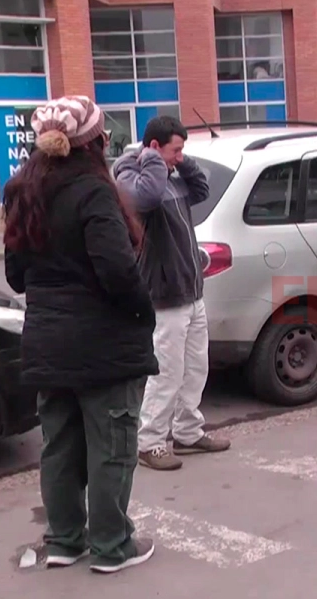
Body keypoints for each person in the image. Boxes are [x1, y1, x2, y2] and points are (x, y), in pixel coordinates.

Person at [3, 95, 158, 573]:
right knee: (111, 447)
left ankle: (66, 540)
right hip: (103, 345)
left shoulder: (21, 191)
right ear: (93, 144)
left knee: (60, 447)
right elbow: (116, 269)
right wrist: (142, 313)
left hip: (47, 342)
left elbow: (15, 276)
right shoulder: (94, 191)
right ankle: (112, 546)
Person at [113, 115, 230, 471]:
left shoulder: (173, 177)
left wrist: (182, 159)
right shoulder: (131, 179)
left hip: (190, 290)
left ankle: (188, 431)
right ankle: (149, 442)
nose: (179, 157)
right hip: (164, 294)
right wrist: (151, 162)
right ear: (152, 148)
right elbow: (145, 198)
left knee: (196, 367)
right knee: (166, 372)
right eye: (175, 150)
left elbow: (203, 190)